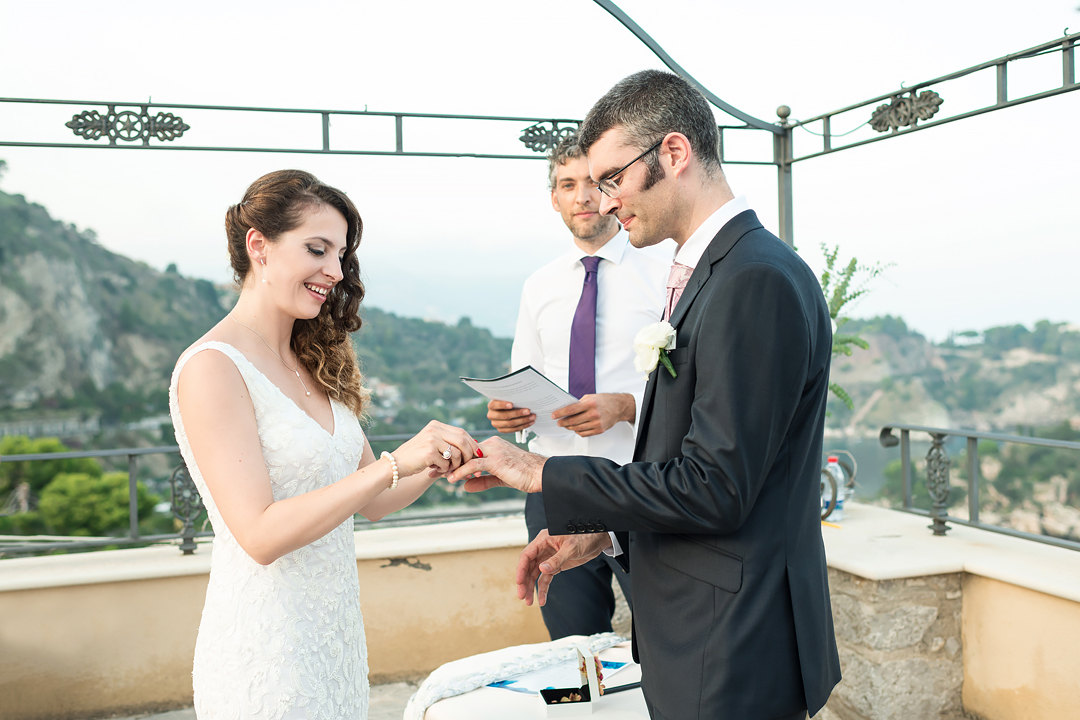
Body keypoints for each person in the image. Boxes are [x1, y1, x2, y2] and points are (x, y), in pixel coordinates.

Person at [451, 70, 841, 719]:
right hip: (704, 631)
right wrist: (605, 536)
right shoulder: (715, 271)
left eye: (612, 178)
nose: (604, 202)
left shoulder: (753, 281)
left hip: (735, 645)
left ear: (674, 153)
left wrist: (545, 471)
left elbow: (715, 487)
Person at [168, 169, 478, 719]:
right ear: (258, 246)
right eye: (318, 249)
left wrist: (434, 458)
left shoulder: (314, 362)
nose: (334, 272)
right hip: (266, 652)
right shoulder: (212, 368)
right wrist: (392, 463)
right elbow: (259, 535)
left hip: (333, 641)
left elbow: (375, 501)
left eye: (340, 255)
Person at [486, 133, 669, 639]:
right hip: (555, 485)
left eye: (594, 182)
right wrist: (508, 414)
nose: (583, 196)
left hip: (639, 484)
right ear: (555, 199)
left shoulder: (666, 272)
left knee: (665, 635)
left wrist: (627, 406)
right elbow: (525, 381)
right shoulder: (539, 285)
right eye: (568, 185)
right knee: (572, 647)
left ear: (614, 190)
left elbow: (695, 384)